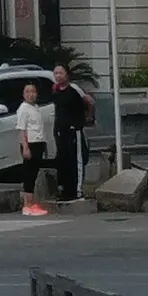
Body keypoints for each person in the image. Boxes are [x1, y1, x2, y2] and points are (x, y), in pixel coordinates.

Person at [48, 64, 95, 201]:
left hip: (74, 130)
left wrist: (89, 118)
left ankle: (78, 191)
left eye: (60, 73)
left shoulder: (74, 89)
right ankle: (66, 190)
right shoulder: (55, 91)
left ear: (67, 74)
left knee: (77, 159)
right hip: (60, 131)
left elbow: (90, 102)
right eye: (55, 73)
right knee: (63, 160)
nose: (58, 76)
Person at [15, 81, 53, 216]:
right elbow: (22, 130)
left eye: (33, 92)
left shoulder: (35, 107)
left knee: (34, 172)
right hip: (30, 143)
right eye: (27, 92)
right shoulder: (23, 109)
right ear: (23, 94)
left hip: (38, 143)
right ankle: (27, 204)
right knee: (29, 174)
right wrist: (25, 147)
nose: (31, 95)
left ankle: (32, 203)